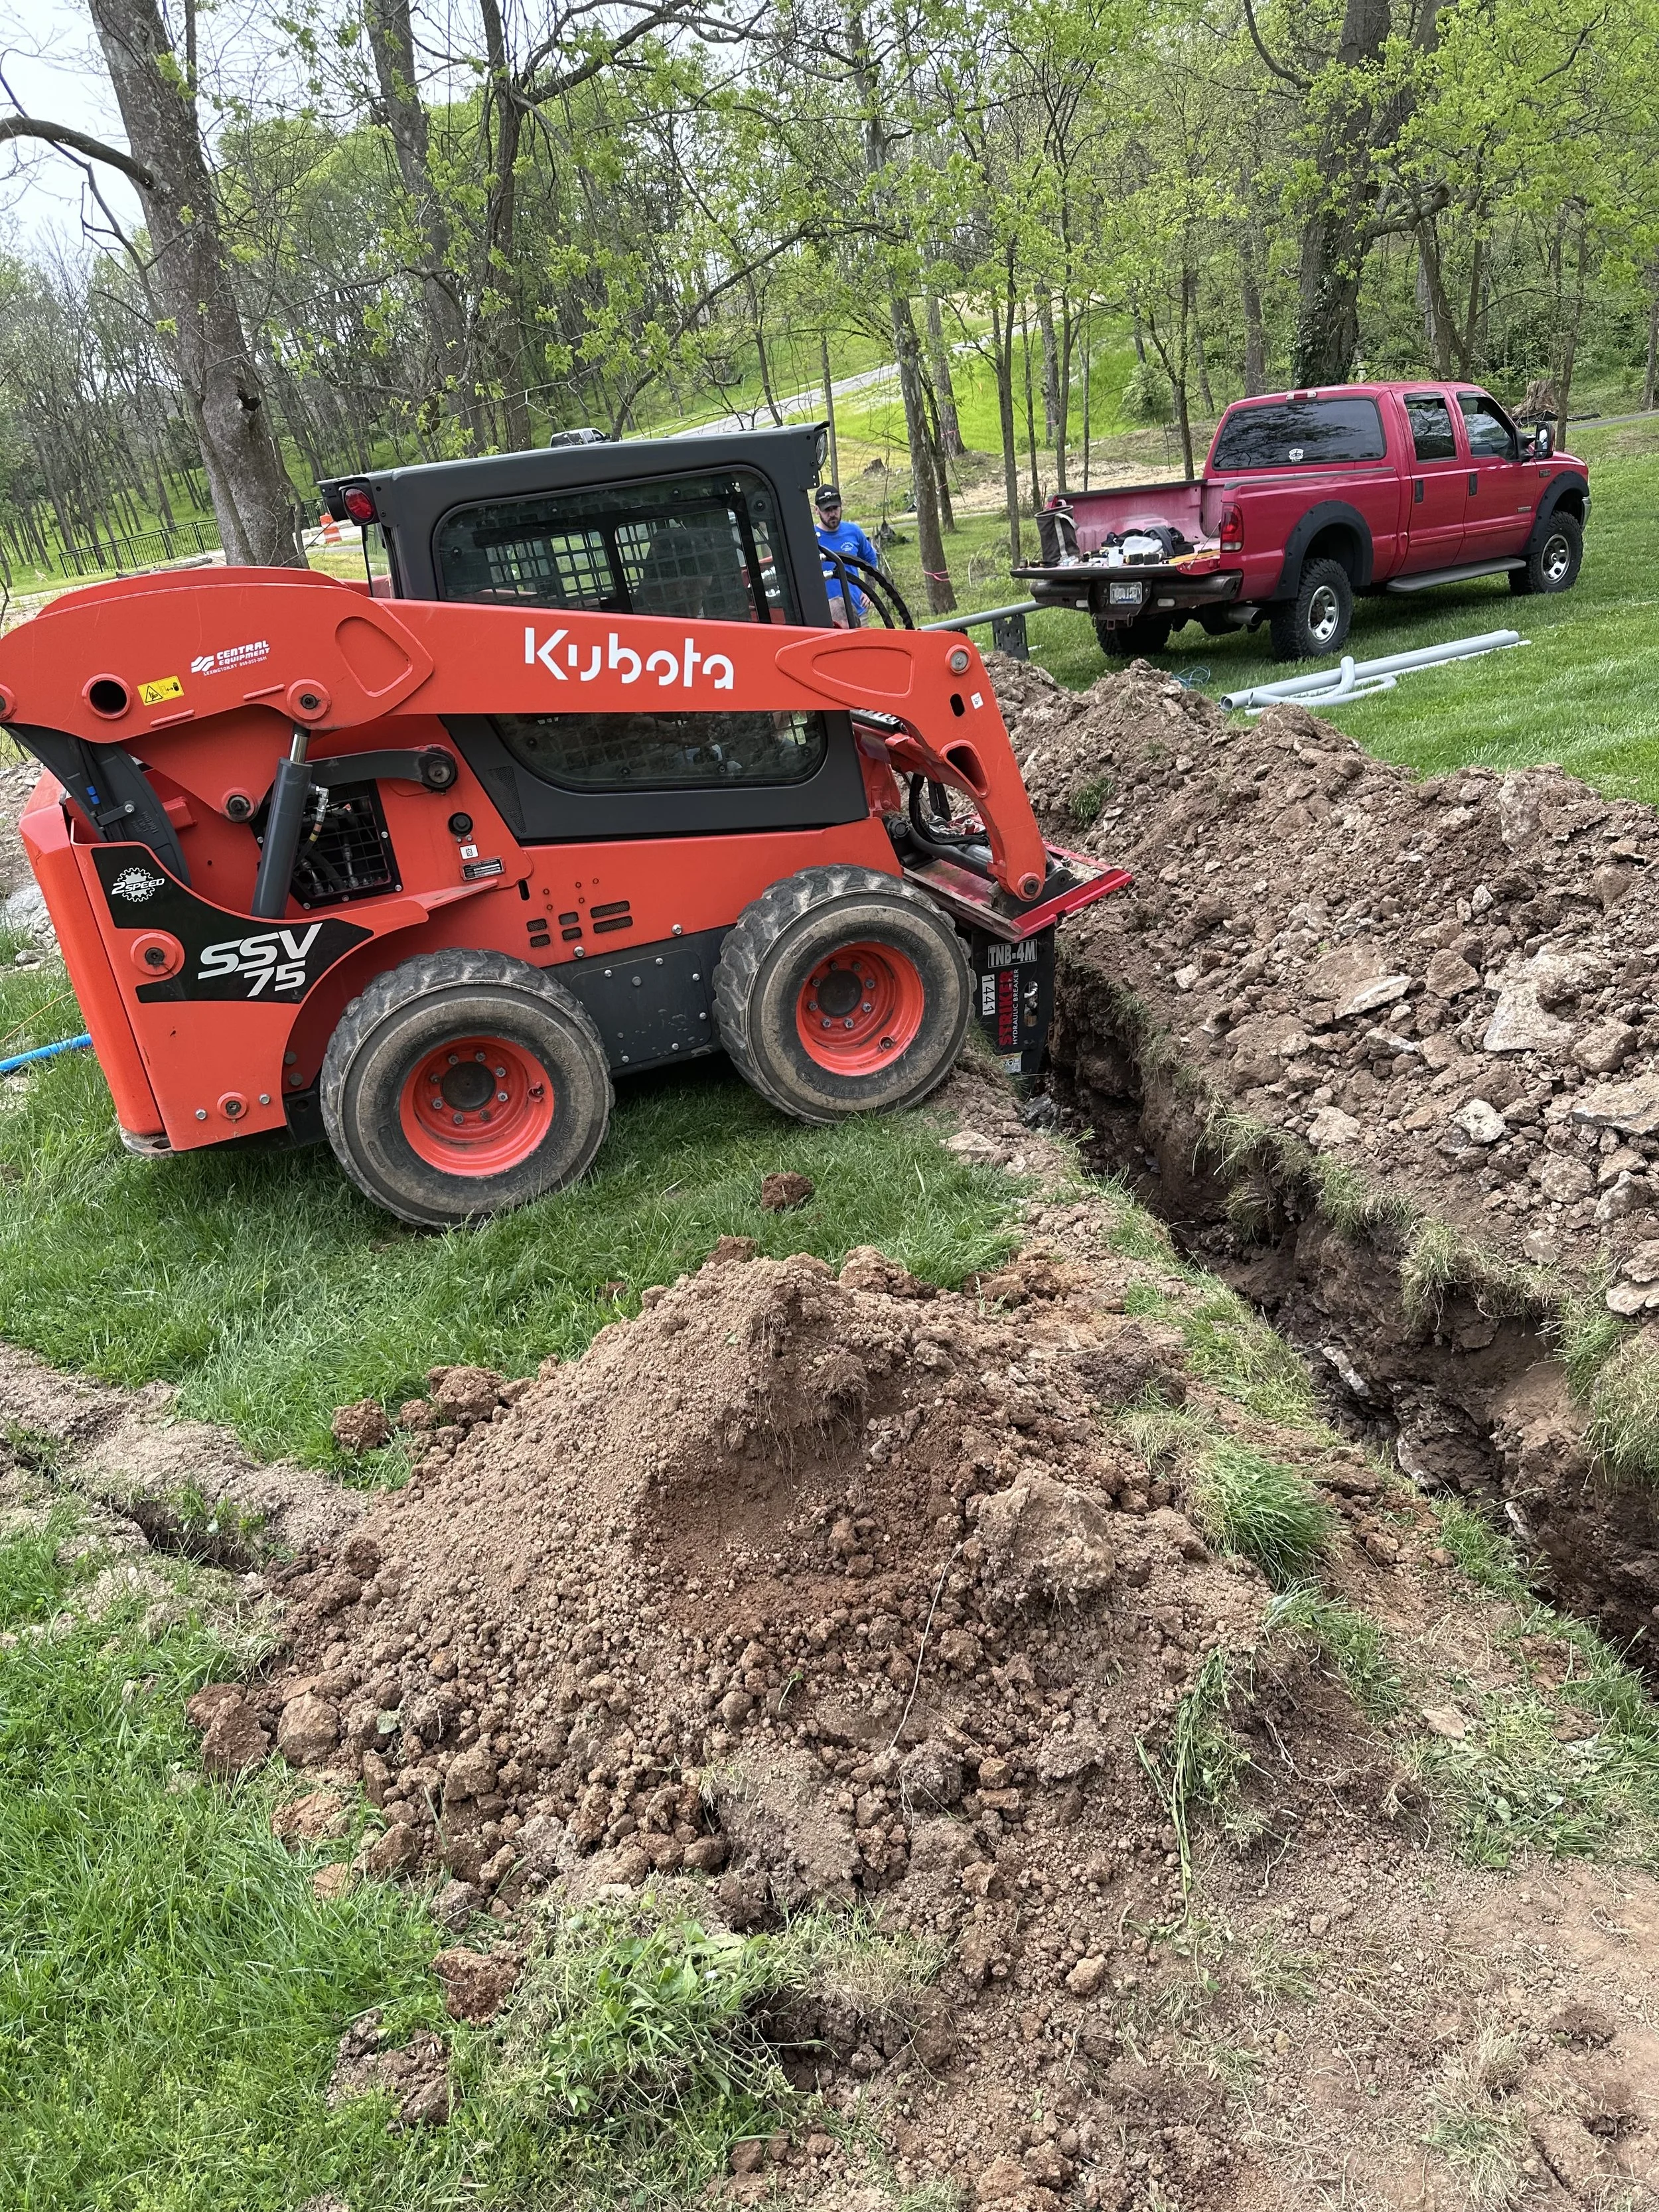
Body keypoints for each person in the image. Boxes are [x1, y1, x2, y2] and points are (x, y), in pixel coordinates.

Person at [813, 484, 881, 626]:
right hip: (828, 617)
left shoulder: (853, 532)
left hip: (857, 613)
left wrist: (869, 590)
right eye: (827, 510)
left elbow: (870, 559)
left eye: (835, 508)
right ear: (817, 510)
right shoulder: (810, 538)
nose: (832, 514)